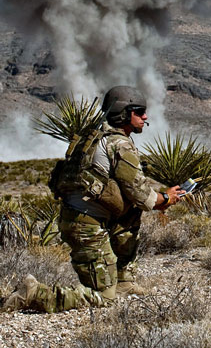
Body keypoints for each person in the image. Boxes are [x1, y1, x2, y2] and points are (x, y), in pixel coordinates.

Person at [3, 85, 184, 313]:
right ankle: (35, 294)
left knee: (130, 213)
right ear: (123, 113)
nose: (145, 117)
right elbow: (141, 195)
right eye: (138, 111)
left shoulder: (93, 138)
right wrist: (166, 198)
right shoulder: (119, 144)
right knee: (103, 298)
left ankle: (124, 282)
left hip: (79, 220)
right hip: (86, 227)